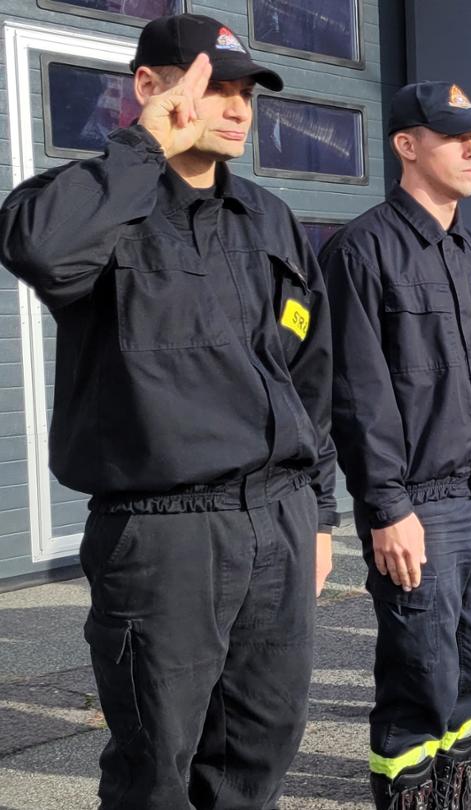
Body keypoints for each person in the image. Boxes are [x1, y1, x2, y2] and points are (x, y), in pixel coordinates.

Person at [0, 14, 331, 808]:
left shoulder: (270, 219)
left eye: (245, 92)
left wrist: (318, 513)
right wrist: (142, 148)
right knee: (157, 770)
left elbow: (309, 374)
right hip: (164, 533)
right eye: (212, 87)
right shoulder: (97, 207)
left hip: (277, 523)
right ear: (148, 87)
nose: (237, 107)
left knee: (259, 755)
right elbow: (38, 248)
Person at [323, 81, 471, 808]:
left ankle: (453, 795)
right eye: (454, 136)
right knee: (420, 677)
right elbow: (355, 392)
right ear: (406, 146)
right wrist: (385, 506)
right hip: (421, 507)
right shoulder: (363, 251)